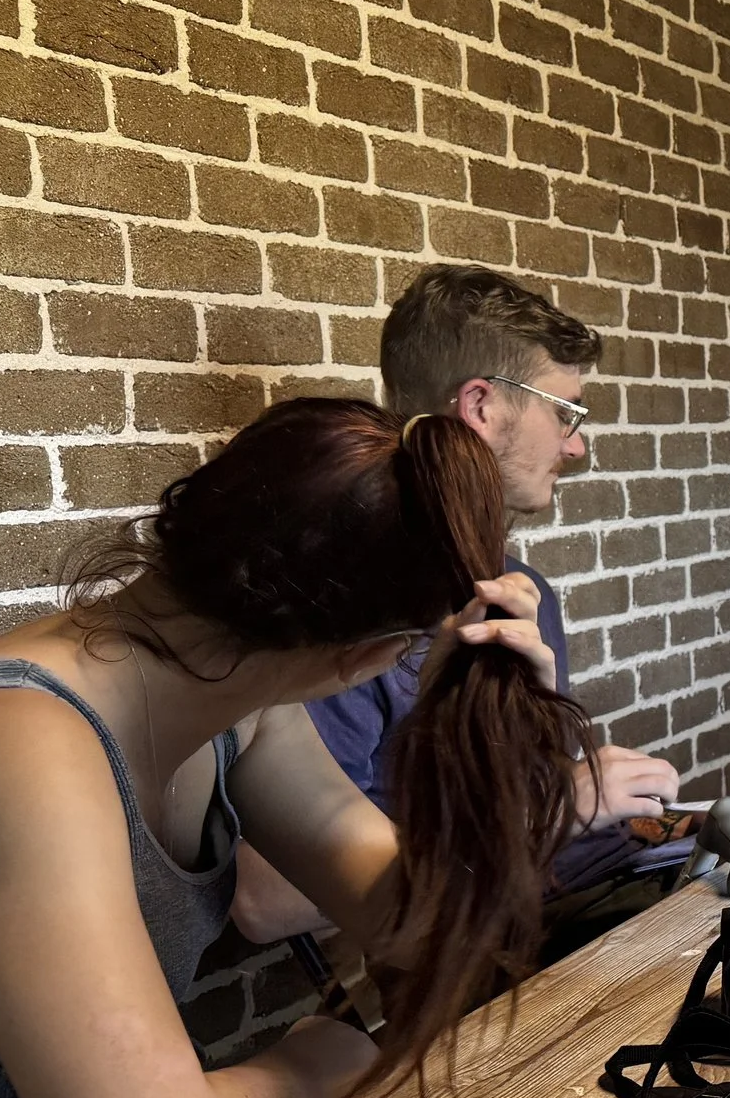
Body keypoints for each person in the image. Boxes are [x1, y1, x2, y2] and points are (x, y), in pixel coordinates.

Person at [0, 398, 592, 1098]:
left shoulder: (243, 707)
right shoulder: (15, 740)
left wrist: (477, 748)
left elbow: (422, 927)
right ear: (361, 658)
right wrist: (334, 1053)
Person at [228, 266, 684, 962]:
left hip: (587, 902)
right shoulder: (354, 614)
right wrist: (555, 810)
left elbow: (530, 797)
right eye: (566, 413)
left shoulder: (520, 588)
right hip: (482, 967)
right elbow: (264, 898)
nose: (577, 446)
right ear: (480, 405)